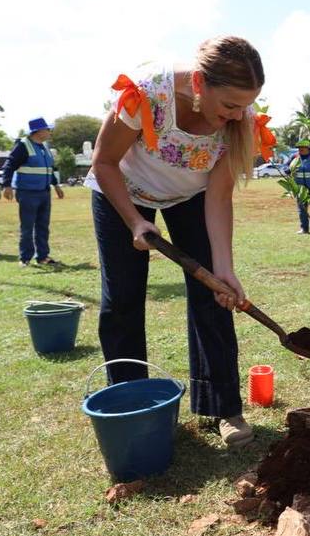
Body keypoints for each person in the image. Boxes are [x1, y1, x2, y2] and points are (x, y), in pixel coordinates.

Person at [86, 35, 266, 448]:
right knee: (123, 299)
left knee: (214, 295)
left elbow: (218, 196)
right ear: (200, 84)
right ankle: (129, 402)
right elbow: (105, 161)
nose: (238, 116)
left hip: (189, 195)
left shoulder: (240, 119)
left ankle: (223, 406)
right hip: (122, 189)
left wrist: (224, 268)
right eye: (229, 106)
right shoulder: (148, 94)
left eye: (245, 106)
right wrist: (134, 221)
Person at [0, 117, 65, 266]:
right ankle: (25, 258)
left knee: (43, 226)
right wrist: (7, 185)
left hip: (44, 192)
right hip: (27, 192)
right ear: (38, 131)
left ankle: (43, 256)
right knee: (27, 226)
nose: (49, 132)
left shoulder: (45, 147)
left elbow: (49, 169)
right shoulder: (23, 146)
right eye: (47, 129)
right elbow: (9, 165)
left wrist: (56, 186)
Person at [289, 138, 310, 233]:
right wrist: (287, 170)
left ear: (309, 148)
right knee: (302, 210)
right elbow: (287, 167)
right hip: (300, 189)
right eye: (299, 147)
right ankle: (304, 229)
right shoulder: (294, 157)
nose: (301, 149)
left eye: (303, 147)